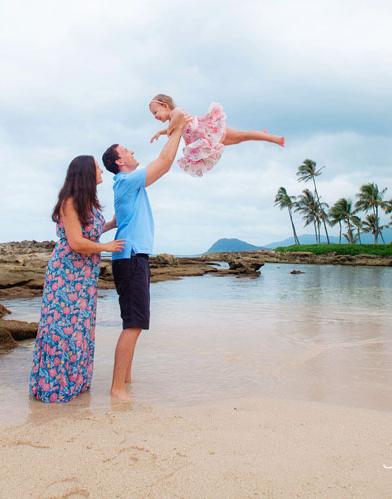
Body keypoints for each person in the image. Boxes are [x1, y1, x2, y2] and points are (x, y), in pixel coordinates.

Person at [102, 107, 188, 400]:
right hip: (130, 257)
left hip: (132, 257)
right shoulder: (127, 180)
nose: (131, 150)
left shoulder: (127, 186)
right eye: (126, 150)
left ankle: (125, 380)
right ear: (119, 161)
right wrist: (177, 129)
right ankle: (117, 388)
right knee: (134, 324)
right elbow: (164, 163)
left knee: (133, 322)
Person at [29, 155, 125, 403]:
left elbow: (87, 231)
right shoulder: (69, 202)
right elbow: (75, 242)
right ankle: (54, 388)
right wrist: (106, 247)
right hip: (66, 273)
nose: (101, 172)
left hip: (84, 276)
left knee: (80, 329)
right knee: (61, 329)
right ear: (85, 173)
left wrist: (110, 225)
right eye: (97, 168)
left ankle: (75, 384)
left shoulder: (88, 203)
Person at [148, 94, 285, 177]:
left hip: (207, 131)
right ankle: (262, 134)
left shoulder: (174, 114)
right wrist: (161, 132)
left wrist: (170, 130)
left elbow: (180, 114)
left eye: (155, 112)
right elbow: (175, 128)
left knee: (241, 136)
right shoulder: (173, 121)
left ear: (165, 106)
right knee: (239, 139)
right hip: (204, 139)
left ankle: (272, 138)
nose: (155, 117)